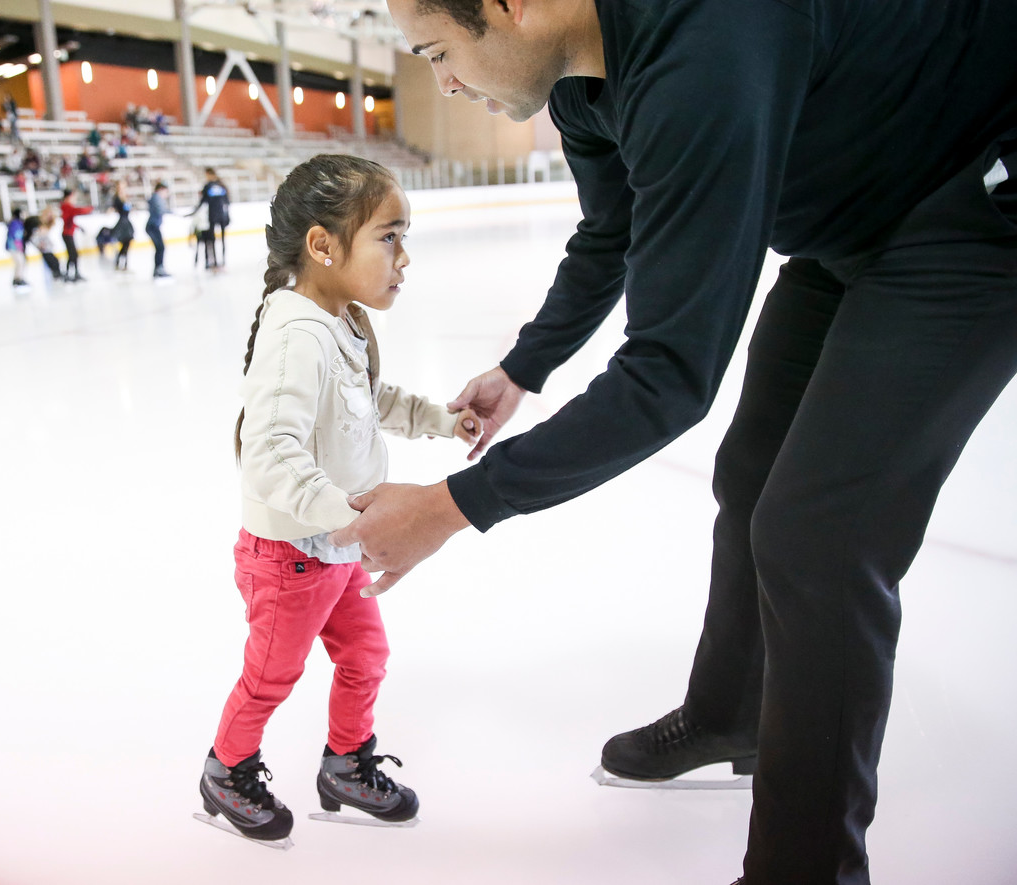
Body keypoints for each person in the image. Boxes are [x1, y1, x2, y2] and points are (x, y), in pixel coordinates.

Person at [331, 1, 1017, 883]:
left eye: (438, 51)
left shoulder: (707, 46)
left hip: (969, 206)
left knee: (820, 535)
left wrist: (446, 508)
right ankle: (734, 711)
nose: (446, 82)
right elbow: (611, 231)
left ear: (516, 7)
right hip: (851, 228)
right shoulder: (581, 81)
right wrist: (525, 367)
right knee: (753, 474)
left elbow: (668, 375)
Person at [199, 154, 481, 845]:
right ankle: (225, 769)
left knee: (365, 656)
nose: (403, 257)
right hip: (291, 557)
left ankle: (345, 764)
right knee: (271, 675)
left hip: (335, 546)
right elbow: (270, 455)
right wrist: (352, 518)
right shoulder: (297, 333)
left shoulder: (337, 320)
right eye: (389, 236)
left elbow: (368, 399)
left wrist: (442, 419)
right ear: (323, 245)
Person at [191, 168, 230, 268]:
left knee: (212, 240)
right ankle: (222, 260)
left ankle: (216, 261)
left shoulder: (208, 186)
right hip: (221, 215)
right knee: (221, 239)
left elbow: (203, 202)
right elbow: (227, 202)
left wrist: (194, 212)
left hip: (213, 216)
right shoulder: (222, 185)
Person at [59, 189, 92, 282]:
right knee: (73, 254)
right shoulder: (66, 206)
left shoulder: (66, 206)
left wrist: (78, 227)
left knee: (73, 254)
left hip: (68, 233)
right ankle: (70, 273)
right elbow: (78, 211)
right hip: (67, 234)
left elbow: (70, 220)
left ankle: (73, 273)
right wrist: (90, 208)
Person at [109, 180, 136, 271]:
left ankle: (124, 263)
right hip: (122, 222)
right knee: (124, 243)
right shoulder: (117, 198)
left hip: (127, 222)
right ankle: (120, 262)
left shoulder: (125, 198)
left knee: (127, 243)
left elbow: (128, 208)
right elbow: (114, 207)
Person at [145, 181, 170, 280]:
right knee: (160, 247)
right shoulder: (156, 198)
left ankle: (158, 269)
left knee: (160, 247)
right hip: (152, 226)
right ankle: (159, 269)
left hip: (154, 226)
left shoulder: (156, 198)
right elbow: (161, 210)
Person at [32, 206, 64, 281]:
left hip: (46, 246)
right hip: (43, 246)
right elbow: (35, 237)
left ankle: (56, 273)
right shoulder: (40, 224)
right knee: (52, 260)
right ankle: (56, 273)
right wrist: (39, 244)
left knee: (54, 260)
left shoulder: (49, 223)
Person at [4, 207, 29, 289]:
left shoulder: (19, 223)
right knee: (20, 262)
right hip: (14, 246)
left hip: (16, 246)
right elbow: (15, 235)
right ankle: (18, 279)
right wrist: (18, 246)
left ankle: (18, 278)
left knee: (21, 262)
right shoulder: (14, 223)